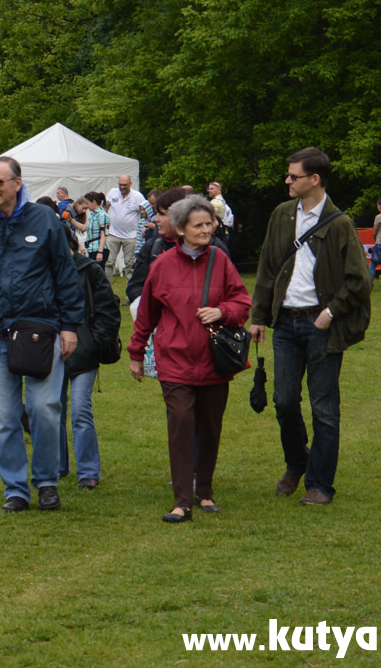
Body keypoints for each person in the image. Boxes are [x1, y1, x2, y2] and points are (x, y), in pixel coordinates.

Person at [0, 155, 85, 512]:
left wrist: (69, 326)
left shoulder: (44, 220)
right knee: (3, 416)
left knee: (44, 408)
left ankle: (47, 482)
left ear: (17, 183)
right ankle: (16, 489)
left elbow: (65, 274)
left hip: (41, 329)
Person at [249, 147, 372, 506]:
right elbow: (268, 267)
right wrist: (258, 316)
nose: (287, 181)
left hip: (321, 326)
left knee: (324, 409)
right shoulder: (281, 215)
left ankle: (320, 485)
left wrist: (331, 312)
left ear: (314, 179)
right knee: (284, 401)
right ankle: (297, 461)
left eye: (293, 176)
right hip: (285, 323)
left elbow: (360, 281)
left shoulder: (340, 224)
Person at [128, 195, 251, 521]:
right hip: (175, 361)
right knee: (181, 424)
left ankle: (205, 492)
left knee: (210, 428)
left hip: (214, 361)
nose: (206, 229)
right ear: (180, 229)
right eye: (199, 225)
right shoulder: (161, 266)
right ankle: (182, 500)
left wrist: (222, 311)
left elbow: (242, 302)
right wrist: (136, 353)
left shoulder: (221, 261)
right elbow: (147, 315)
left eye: (209, 223)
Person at [57, 226, 118, 490]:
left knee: (80, 410)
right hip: (51, 352)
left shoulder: (89, 270)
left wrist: (95, 342)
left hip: (85, 351)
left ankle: (88, 471)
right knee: (51, 411)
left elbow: (108, 309)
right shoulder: (43, 271)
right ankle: (57, 466)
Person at [104, 175, 147, 277]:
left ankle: (131, 292)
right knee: (109, 262)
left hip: (131, 236)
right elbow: (106, 206)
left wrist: (143, 228)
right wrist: (105, 217)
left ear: (130, 184)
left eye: (124, 185)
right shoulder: (113, 192)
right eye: (120, 185)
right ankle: (106, 291)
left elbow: (145, 213)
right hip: (113, 233)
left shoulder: (137, 196)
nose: (122, 187)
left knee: (130, 265)